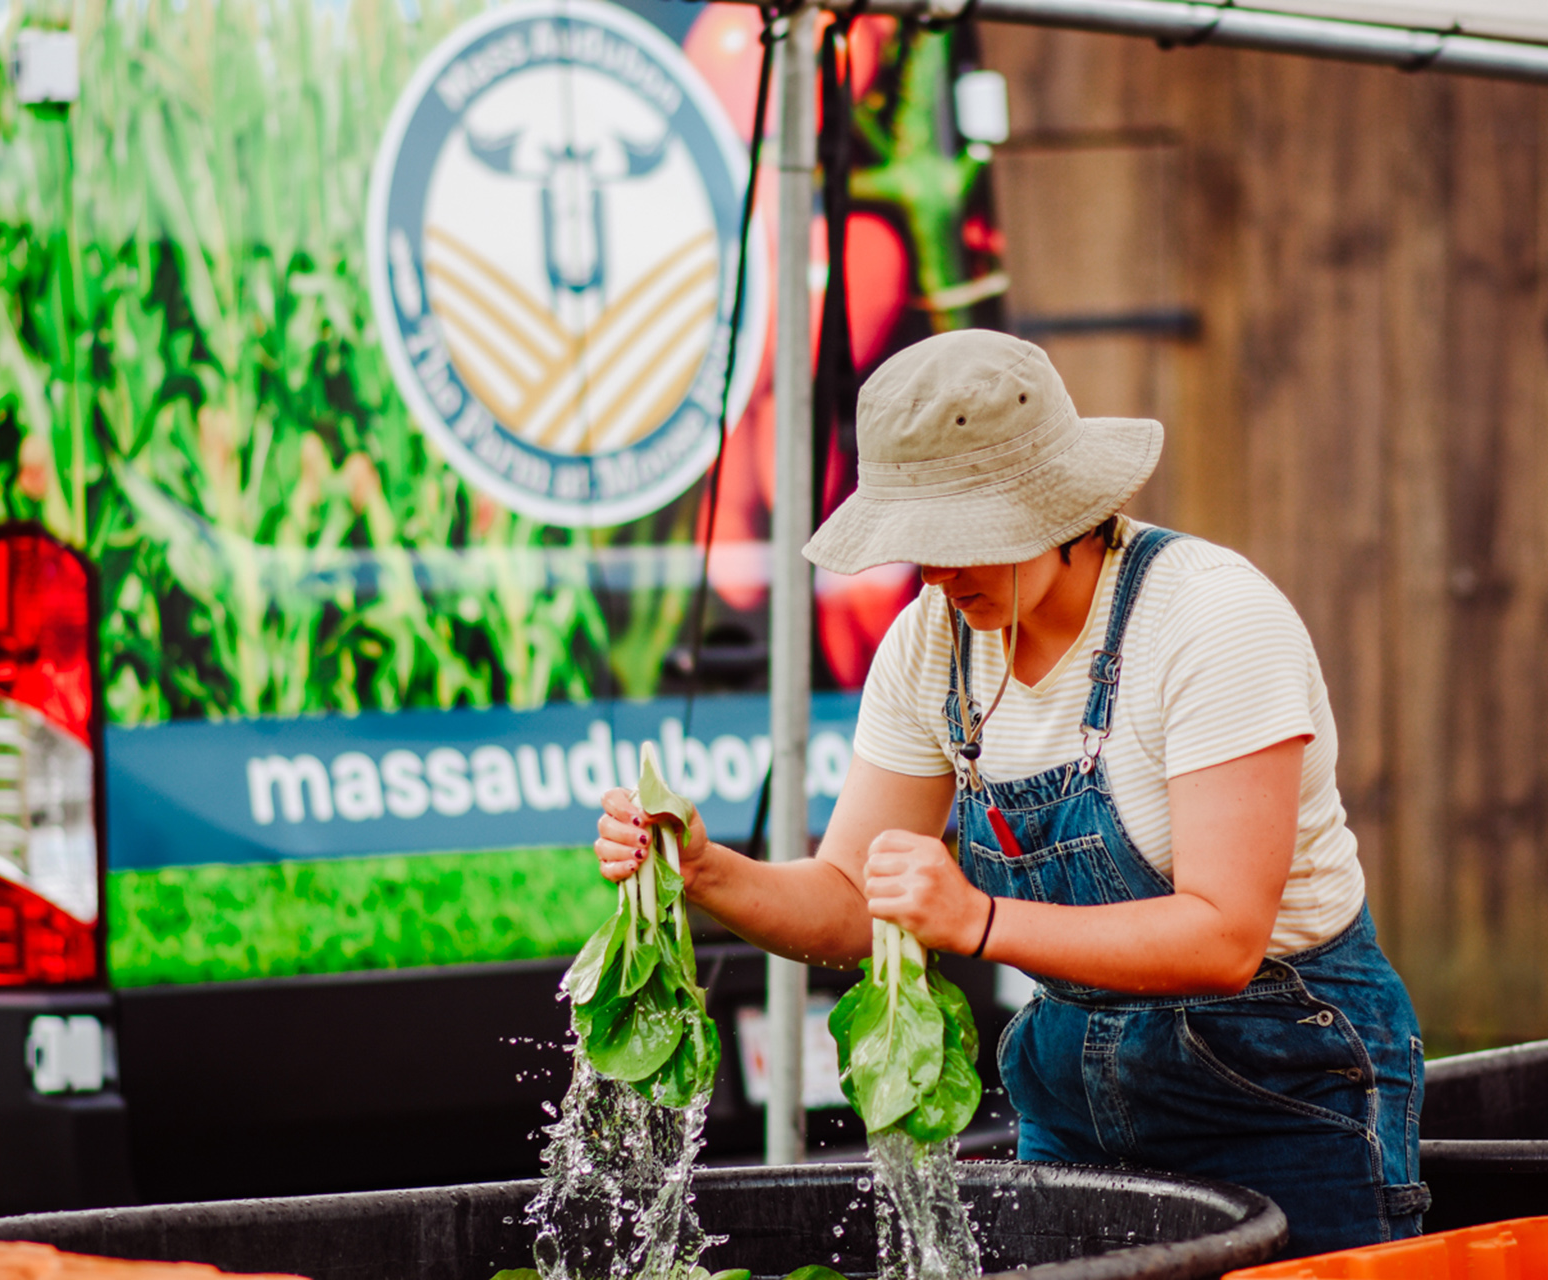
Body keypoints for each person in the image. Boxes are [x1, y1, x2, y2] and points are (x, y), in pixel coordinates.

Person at [594, 329, 1427, 1258]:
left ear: (1057, 506)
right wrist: (705, 870)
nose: (938, 573)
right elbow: (846, 905)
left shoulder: (1209, 620)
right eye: (918, 546)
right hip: (1072, 1100)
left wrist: (979, 921)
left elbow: (1224, 935)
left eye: (961, 539)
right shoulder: (928, 648)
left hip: (1283, 1089)